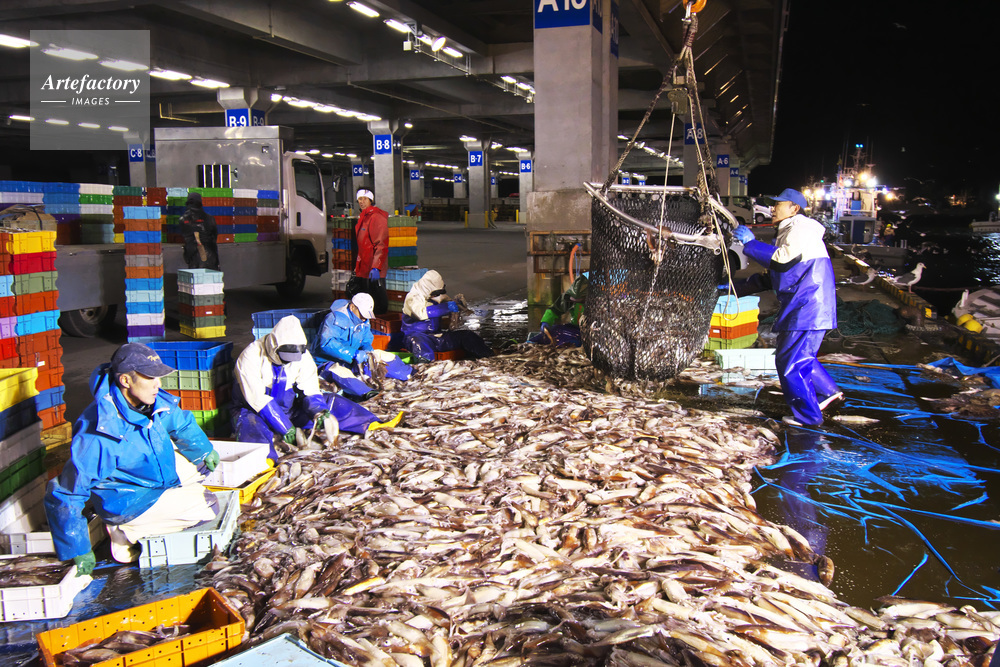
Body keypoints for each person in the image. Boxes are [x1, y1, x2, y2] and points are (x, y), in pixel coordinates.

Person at [44, 343, 222, 574]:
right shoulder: (100, 433)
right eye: (150, 377)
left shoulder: (149, 400)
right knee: (209, 506)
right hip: (126, 499)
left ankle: (158, 506)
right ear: (126, 380)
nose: (158, 384)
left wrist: (204, 450)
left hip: (147, 473)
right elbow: (67, 492)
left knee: (203, 468)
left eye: (158, 377)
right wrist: (76, 547)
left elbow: (179, 421)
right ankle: (126, 532)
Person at [732, 188, 843, 426]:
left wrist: (751, 244)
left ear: (794, 208)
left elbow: (782, 261)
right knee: (798, 353)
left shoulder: (801, 228)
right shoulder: (789, 231)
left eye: (778, 204)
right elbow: (775, 275)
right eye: (772, 204)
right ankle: (826, 392)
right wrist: (733, 288)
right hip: (805, 303)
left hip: (807, 305)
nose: (772, 208)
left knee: (790, 360)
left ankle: (808, 417)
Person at [232, 315, 401, 461]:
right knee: (250, 426)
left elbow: (310, 388)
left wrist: (318, 410)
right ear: (274, 347)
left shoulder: (303, 356)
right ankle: (266, 462)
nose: (288, 362)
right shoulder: (250, 356)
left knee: (332, 401)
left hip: (289, 409)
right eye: (284, 358)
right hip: (255, 411)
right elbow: (257, 399)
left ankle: (370, 424)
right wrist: (285, 427)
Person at [313, 292, 412, 400]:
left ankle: (408, 373)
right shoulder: (334, 319)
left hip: (351, 361)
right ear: (352, 307)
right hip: (326, 363)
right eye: (362, 314)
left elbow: (366, 340)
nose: (364, 318)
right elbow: (327, 343)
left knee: (380, 355)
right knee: (341, 373)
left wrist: (367, 350)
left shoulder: (363, 321)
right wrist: (354, 354)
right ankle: (368, 393)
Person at [401, 270, 493, 363]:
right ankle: (425, 366)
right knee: (419, 344)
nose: (437, 296)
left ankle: (491, 357)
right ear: (427, 289)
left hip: (437, 337)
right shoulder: (412, 298)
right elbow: (421, 313)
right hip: (418, 336)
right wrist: (447, 307)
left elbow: (449, 301)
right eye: (435, 293)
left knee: (468, 336)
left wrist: (458, 303)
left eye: (438, 293)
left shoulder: (436, 295)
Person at [353, 189, 389, 314]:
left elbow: (381, 244)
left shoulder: (376, 217)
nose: (362, 202)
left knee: (378, 301)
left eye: (365, 199)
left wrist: (376, 267)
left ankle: (380, 320)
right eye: (359, 199)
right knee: (367, 301)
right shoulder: (364, 217)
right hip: (364, 265)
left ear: (371, 200)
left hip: (374, 266)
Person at [531, 272, 588, 346]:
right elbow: (554, 309)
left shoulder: (600, 297)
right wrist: (546, 322)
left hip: (590, 332)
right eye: (573, 299)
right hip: (574, 328)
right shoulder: (569, 296)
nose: (575, 301)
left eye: (580, 300)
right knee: (553, 331)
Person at [179, 191, 219, 270]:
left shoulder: (182, 220)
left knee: (196, 276)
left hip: (193, 255)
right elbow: (215, 235)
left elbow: (183, 237)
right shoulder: (210, 218)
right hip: (210, 254)